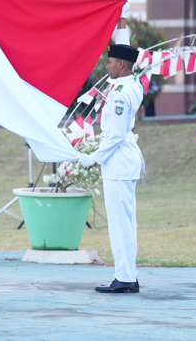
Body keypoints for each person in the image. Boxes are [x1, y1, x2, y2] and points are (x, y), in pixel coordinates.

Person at [78, 42, 145, 294]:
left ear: (122, 65)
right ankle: (129, 275)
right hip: (124, 162)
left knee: (120, 225)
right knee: (126, 224)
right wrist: (123, 22)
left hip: (118, 163)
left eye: (110, 62)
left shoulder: (118, 93)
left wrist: (93, 157)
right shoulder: (131, 85)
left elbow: (115, 135)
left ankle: (125, 278)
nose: (106, 66)